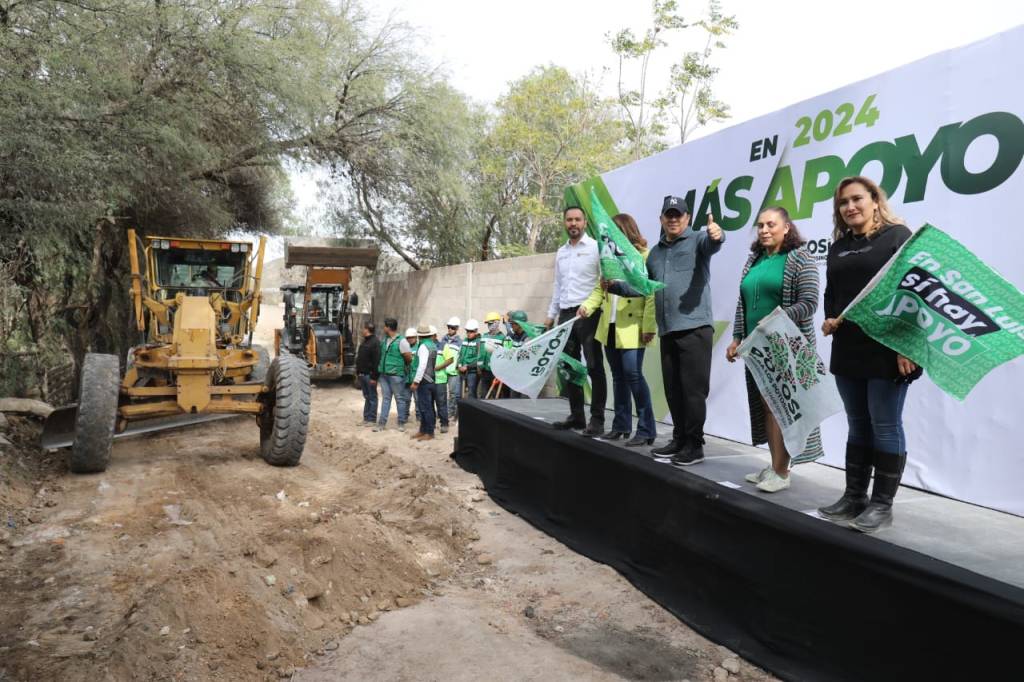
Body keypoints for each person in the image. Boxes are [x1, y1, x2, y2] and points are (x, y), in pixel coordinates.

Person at [818, 176, 917, 533]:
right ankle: (854, 496)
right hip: (848, 346)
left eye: (857, 199)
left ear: (875, 200)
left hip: (888, 348)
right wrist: (829, 318)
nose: (850, 207)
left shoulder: (898, 237)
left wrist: (906, 344)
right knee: (858, 425)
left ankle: (881, 505)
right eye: (843, 203)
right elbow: (833, 292)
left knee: (885, 425)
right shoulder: (838, 247)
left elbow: (913, 295)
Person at [725, 207, 824, 492]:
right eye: (760, 225)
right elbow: (743, 305)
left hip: (787, 346)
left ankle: (782, 472)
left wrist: (775, 319)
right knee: (767, 408)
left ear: (786, 228)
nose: (764, 230)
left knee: (783, 409)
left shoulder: (799, 257)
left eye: (771, 224)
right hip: (756, 348)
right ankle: (774, 465)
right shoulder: (754, 260)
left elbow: (808, 303)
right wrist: (736, 337)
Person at [646, 195, 725, 466]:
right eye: (668, 214)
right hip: (667, 329)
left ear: (688, 218)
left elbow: (713, 242)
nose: (673, 219)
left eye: (678, 214)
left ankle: (695, 445)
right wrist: (618, 287)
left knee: (693, 390)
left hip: (695, 327)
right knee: (673, 389)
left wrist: (717, 234)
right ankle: (679, 438)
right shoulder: (655, 253)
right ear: (661, 219)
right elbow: (646, 287)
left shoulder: (698, 240)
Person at [578, 213, 658, 447]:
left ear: (625, 231)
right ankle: (620, 426)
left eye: (613, 232)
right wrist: (586, 307)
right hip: (609, 326)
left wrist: (649, 326)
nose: (609, 237)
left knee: (633, 375)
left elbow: (650, 292)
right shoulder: (608, 259)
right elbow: (598, 290)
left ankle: (646, 429)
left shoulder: (643, 256)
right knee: (618, 378)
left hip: (633, 326)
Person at [545, 205, 607, 436]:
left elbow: (603, 281)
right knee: (570, 368)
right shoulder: (561, 252)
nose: (573, 224)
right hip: (566, 314)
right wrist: (551, 315)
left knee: (593, 366)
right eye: (569, 220)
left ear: (585, 222)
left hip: (589, 313)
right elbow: (558, 286)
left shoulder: (595, 248)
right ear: (564, 222)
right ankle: (577, 416)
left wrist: (591, 306)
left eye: (577, 220)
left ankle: (597, 419)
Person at [373, 318, 413, 433]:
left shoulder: (402, 341)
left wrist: (399, 367)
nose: (383, 328)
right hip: (384, 375)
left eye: (385, 326)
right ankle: (381, 424)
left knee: (399, 399)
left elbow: (408, 358)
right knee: (386, 399)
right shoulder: (385, 340)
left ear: (389, 327)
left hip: (396, 375)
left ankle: (401, 423)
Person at [410, 324, 439, 441]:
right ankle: (423, 430)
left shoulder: (423, 347)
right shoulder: (433, 345)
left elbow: (422, 366)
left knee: (425, 407)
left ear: (419, 336)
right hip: (432, 379)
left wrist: (416, 381)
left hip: (424, 381)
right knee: (428, 407)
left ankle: (429, 432)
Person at [355, 321, 381, 427]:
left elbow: (376, 361)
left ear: (367, 330)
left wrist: (374, 377)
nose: (362, 330)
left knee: (372, 397)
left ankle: (372, 419)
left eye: (363, 328)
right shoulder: (365, 341)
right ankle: (366, 418)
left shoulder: (375, 343)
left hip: (369, 375)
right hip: (362, 374)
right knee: (367, 397)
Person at [502, 310, 532, 399]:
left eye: (512, 324)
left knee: (524, 403)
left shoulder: (529, 337)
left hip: (525, 378)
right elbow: (506, 352)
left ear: (519, 324)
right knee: (514, 402)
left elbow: (523, 357)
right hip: (513, 376)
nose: (511, 325)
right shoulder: (511, 336)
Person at [440, 317, 464, 421]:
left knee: (453, 393)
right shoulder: (443, 340)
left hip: (454, 372)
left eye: (452, 327)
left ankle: (450, 412)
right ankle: (443, 411)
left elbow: (461, 357)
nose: (450, 329)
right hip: (442, 371)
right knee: (442, 393)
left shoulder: (460, 342)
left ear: (457, 328)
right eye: (449, 327)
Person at [430, 326, 453, 434]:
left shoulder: (443, 345)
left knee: (441, 403)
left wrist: (438, 367)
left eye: (430, 336)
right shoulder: (425, 346)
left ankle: (444, 424)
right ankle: (432, 424)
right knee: (429, 403)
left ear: (435, 336)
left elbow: (450, 360)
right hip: (428, 380)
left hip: (440, 380)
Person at [479, 312, 506, 399]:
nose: (489, 325)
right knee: (483, 395)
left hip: (495, 372)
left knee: (495, 396)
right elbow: (481, 352)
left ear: (497, 323)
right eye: (488, 324)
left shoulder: (502, 338)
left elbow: (504, 355)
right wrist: (479, 366)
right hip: (484, 370)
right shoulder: (484, 336)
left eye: (491, 323)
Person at [457, 319, 483, 409]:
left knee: (471, 393)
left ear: (476, 331)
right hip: (462, 372)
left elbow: (479, 359)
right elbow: (460, 355)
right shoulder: (464, 341)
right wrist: (459, 365)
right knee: (459, 394)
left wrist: (467, 366)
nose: (468, 333)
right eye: (467, 331)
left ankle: (472, 412)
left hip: (472, 372)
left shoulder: (479, 342)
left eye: (471, 331)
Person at [404, 327, 422, 425]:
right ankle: (405, 416)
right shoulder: (404, 347)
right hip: (406, 378)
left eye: (412, 337)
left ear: (416, 337)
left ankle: (419, 417)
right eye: (408, 338)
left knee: (417, 399)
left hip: (416, 378)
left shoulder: (420, 347)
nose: (410, 339)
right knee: (406, 399)